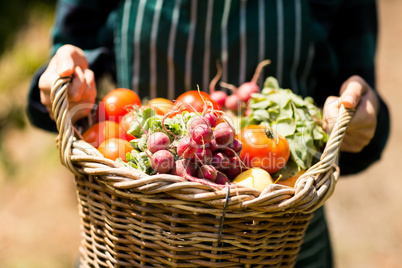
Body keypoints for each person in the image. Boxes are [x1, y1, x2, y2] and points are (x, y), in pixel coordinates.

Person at [27, 1, 390, 267]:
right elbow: (63, 70)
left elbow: (359, 97)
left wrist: (361, 124)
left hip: (279, 245)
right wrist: (64, 87)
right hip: (134, 240)